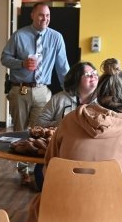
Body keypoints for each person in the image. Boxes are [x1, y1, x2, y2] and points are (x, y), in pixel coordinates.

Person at [28, 58, 122, 222]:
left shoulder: (69, 121)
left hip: (61, 213)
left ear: (97, 94)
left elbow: (48, 170)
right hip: (115, 215)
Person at [1, 2, 69, 185]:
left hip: (42, 90)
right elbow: (4, 58)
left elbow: (63, 67)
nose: (44, 19)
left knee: (40, 132)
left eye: (47, 16)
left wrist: (70, 91)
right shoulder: (19, 35)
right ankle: (23, 171)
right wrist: (22, 64)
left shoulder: (56, 37)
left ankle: (36, 172)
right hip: (20, 88)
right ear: (32, 15)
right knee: (20, 131)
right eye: (40, 15)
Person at [33, 61, 98, 191]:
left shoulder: (102, 101)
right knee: (40, 174)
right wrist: (64, 123)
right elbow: (40, 122)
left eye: (95, 73)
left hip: (89, 151)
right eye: (88, 74)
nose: (93, 76)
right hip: (59, 148)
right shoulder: (59, 99)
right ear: (76, 79)